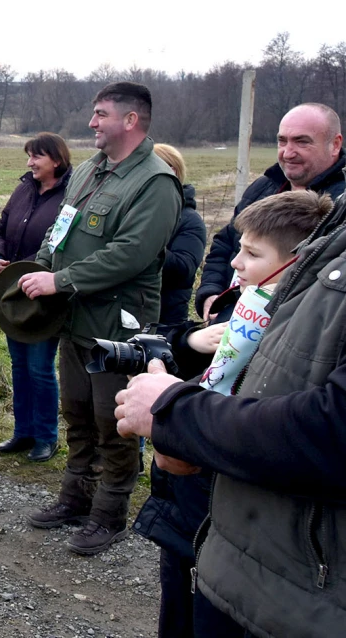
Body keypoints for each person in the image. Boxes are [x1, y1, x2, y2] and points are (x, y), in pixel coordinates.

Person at [115, 192, 346, 638]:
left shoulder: (291, 312)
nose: (235, 263)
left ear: (299, 263)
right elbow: (210, 367)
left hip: (239, 514)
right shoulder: (243, 301)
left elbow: (315, 427)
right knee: (179, 602)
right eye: (239, 250)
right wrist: (188, 342)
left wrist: (175, 415)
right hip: (199, 513)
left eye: (252, 254)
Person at [19, 81, 182, 556]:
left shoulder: (155, 182)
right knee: (77, 413)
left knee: (115, 423)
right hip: (76, 319)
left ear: (130, 120)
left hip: (118, 328)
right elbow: (62, 226)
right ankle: (75, 498)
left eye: (101, 114)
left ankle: (110, 515)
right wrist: (40, 266)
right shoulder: (91, 169)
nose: (92, 122)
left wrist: (60, 280)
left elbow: (130, 254)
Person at [194, 102, 345, 320]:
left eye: (302, 141)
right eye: (282, 141)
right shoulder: (263, 187)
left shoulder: (339, 208)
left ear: (335, 144)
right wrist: (211, 292)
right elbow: (225, 243)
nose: (288, 153)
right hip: (229, 323)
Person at [0, 132, 72, 462]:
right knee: (19, 366)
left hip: (44, 298)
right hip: (11, 294)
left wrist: (30, 270)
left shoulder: (70, 196)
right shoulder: (24, 189)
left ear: (57, 159)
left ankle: (46, 437)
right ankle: (22, 431)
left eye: (36, 156)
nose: (29, 163)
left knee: (39, 368)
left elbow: (62, 244)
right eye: (29, 155)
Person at [153, 144, 207, 326]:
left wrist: (143, 247)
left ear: (172, 172)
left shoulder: (189, 220)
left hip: (165, 321)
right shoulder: (135, 211)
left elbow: (184, 268)